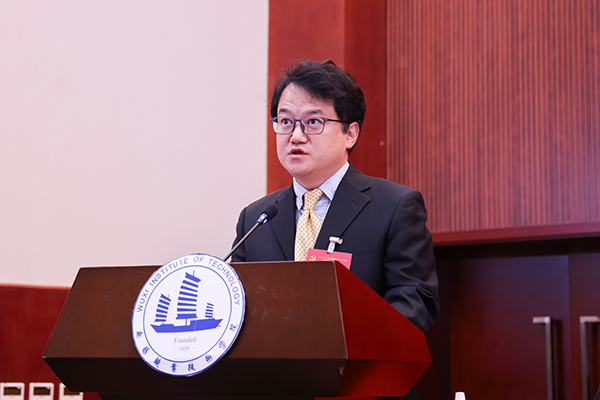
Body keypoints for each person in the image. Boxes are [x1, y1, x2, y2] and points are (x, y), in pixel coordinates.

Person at [230, 59, 439, 400]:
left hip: (363, 387)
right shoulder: (256, 217)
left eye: (313, 122)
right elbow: (237, 306)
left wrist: (346, 350)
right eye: (285, 121)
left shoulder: (394, 206)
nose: (296, 135)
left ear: (350, 133)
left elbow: (416, 301)